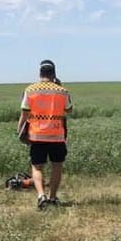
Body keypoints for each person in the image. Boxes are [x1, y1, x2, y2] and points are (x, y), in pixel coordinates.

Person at [17, 60, 73, 210]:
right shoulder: (62, 91)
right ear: (54, 74)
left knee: (37, 167)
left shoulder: (30, 90)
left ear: (40, 73)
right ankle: (53, 197)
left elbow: (24, 112)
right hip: (57, 135)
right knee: (57, 166)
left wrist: (19, 129)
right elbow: (69, 110)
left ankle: (41, 196)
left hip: (37, 135)